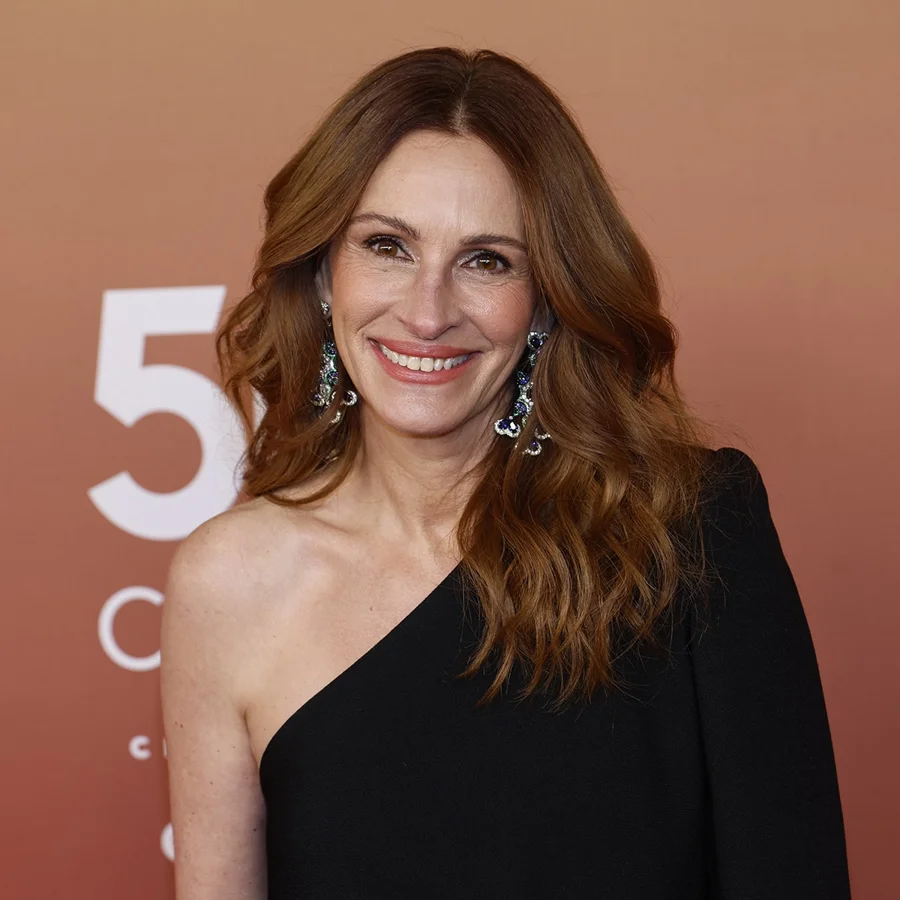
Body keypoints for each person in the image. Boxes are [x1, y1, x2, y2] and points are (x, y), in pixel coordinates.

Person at [159, 46, 851, 899]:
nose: (428, 312)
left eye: (487, 260)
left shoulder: (691, 532)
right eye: (387, 246)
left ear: (547, 300)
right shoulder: (227, 583)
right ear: (324, 274)